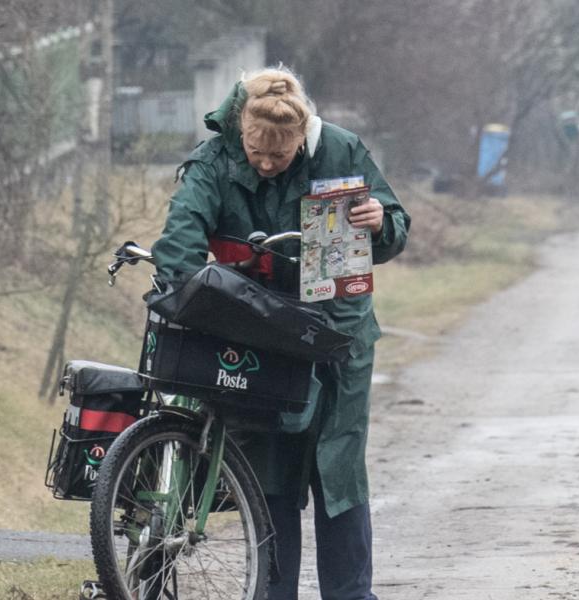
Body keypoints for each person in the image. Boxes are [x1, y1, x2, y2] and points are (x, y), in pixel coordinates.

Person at [151, 66, 410, 600]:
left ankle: (351, 595)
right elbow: (178, 243)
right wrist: (189, 308)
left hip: (336, 336)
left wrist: (379, 223)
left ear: (303, 137)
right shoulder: (212, 162)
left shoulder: (340, 150)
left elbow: (394, 229)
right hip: (257, 335)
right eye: (255, 150)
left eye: (280, 154)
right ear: (240, 129)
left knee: (337, 471)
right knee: (269, 476)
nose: (266, 164)